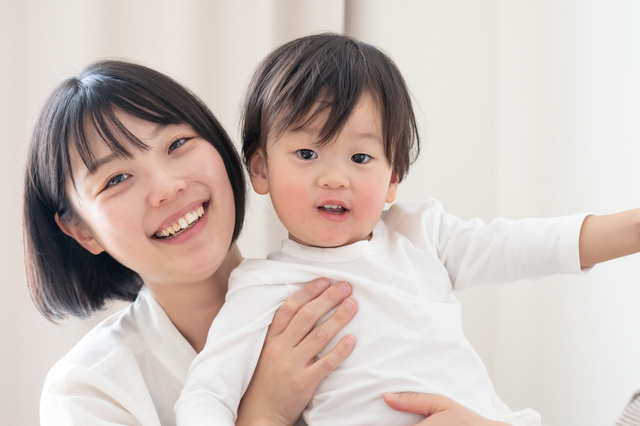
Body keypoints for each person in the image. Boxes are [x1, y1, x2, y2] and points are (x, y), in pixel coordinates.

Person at [176, 33, 640, 426]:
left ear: (393, 177)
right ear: (260, 169)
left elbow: (532, 245)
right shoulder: (261, 287)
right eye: (307, 154)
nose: (334, 177)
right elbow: (205, 396)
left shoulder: (420, 235)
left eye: (360, 158)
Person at [24, 59, 497, 426]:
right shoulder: (88, 388)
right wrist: (262, 412)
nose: (167, 187)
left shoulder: (351, 285)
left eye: (177, 145)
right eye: (117, 178)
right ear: (81, 230)